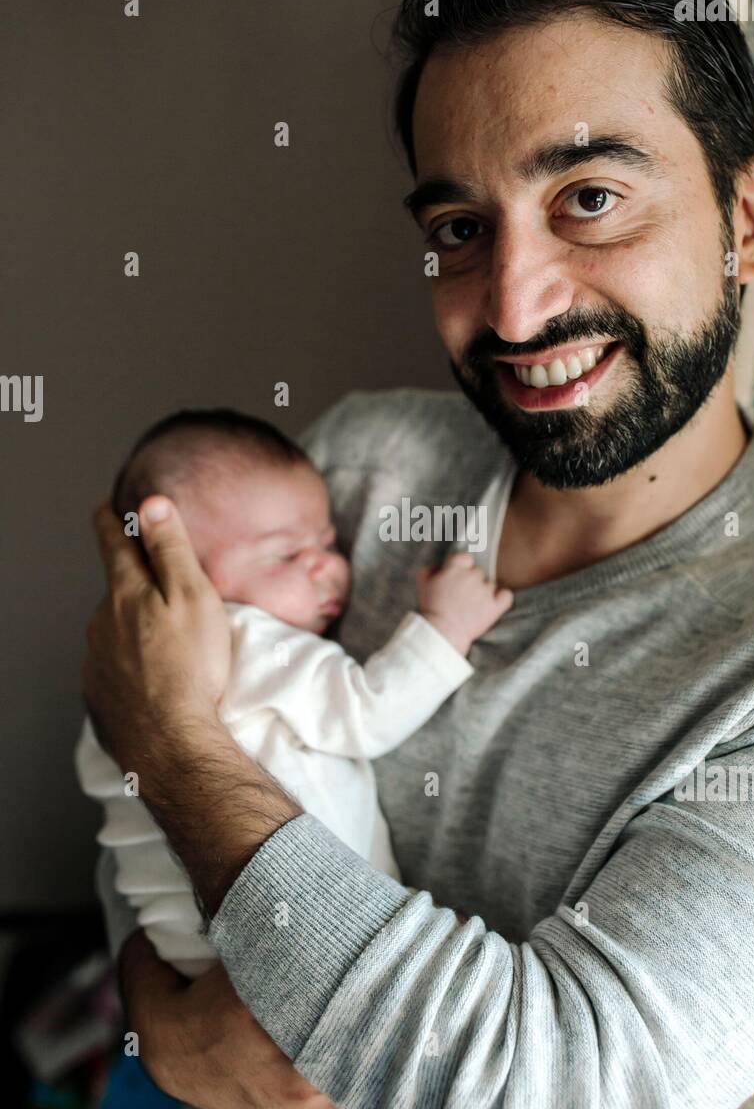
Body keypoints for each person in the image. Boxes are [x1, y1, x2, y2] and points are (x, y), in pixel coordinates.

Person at [84, 0, 754, 1109]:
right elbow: (138, 853)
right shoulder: (354, 468)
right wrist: (161, 1024)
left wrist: (172, 742)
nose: (510, 307)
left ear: (751, 218)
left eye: (588, 198)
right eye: (459, 224)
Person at [77, 407, 508, 977]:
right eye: (285, 553)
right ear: (176, 566)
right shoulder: (251, 639)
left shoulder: (126, 673)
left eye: (327, 542)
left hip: (182, 949)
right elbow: (368, 712)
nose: (327, 567)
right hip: (283, 943)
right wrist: (444, 629)